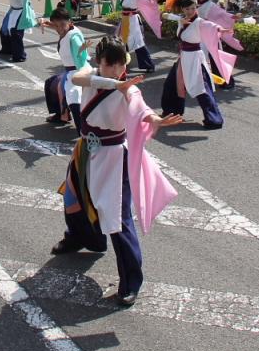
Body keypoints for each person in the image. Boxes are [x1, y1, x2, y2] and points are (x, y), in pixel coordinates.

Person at [51, 36, 182, 308]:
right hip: (85, 151)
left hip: (113, 158)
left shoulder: (129, 89)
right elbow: (79, 79)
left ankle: (131, 282)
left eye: (120, 63)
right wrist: (114, 82)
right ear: (99, 62)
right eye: (109, 64)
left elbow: (140, 107)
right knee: (75, 200)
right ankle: (81, 238)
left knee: (118, 218)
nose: (115, 69)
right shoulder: (91, 75)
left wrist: (155, 119)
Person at [161, 0, 232, 128]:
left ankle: (214, 119)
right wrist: (175, 18)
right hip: (183, 58)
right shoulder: (182, 19)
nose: (190, 11)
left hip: (195, 58)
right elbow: (166, 15)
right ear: (182, 9)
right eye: (187, 9)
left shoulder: (199, 22)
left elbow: (211, 26)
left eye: (193, 8)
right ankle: (172, 111)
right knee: (172, 84)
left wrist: (220, 29)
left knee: (202, 88)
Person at [39, 8, 91, 128]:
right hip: (69, 72)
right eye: (56, 26)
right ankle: (62, 115)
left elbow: (79, 50)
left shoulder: (74, 37)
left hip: (77, 72)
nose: (59, 29)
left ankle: (82, 128)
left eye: (61, 25)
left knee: (71, 96)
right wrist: (46, 23)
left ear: (70, 21)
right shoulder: (67, 29)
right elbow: (60, 26)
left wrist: (82, 49)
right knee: (51, 83)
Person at [196, 0, 242, 89]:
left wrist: (233, 16)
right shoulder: (193, 0)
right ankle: (195, 80)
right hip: (196, 34)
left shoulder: (211, 6)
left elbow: (223, 15)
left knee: (215, 59)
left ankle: (226, 81)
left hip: (210, 35)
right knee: (194, 57)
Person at [116, 0, 161, 73]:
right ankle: (122, 64)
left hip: (133, 20)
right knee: (123, 41)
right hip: (124, 20)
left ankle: (149, 65)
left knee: (138, 42)